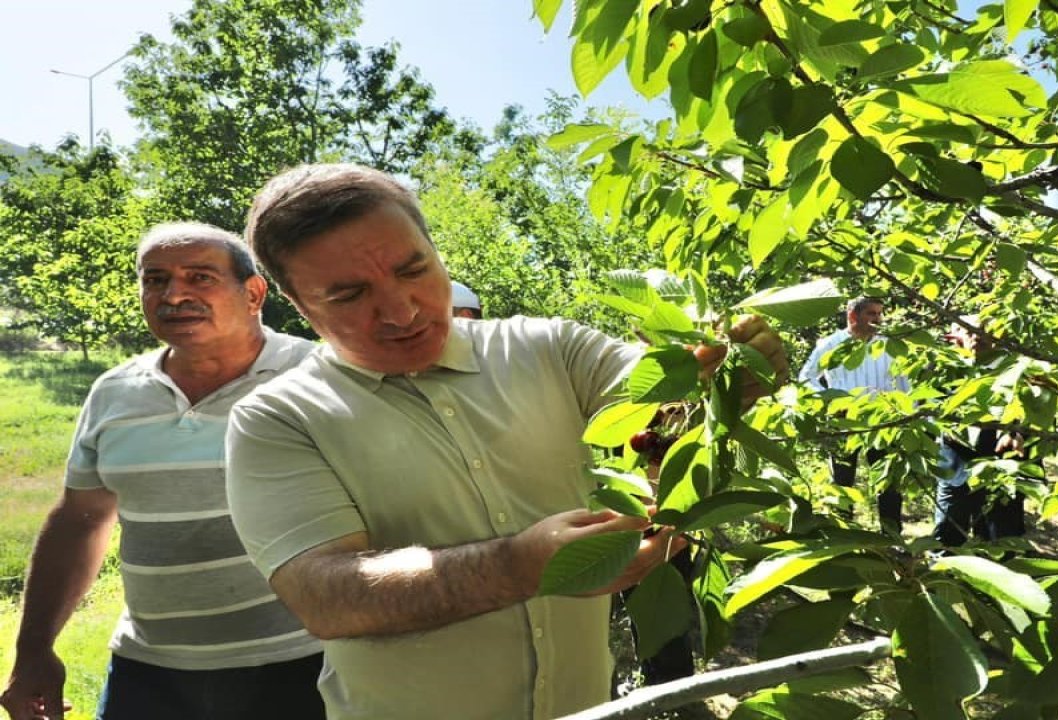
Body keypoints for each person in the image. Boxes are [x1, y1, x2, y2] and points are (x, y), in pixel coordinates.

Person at [224, 163, 789, 720]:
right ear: (295, 304)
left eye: (414, 268)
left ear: (434, 248)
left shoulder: (549, 350)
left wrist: (727, 375)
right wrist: (520, 567)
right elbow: (324, 596)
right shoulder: (276, 419)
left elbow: (667, 407)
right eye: (348, 295)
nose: (401, 310)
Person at [1, 223, 323, 720]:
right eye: (156, 280)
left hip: (300, 664)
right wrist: (33, 650)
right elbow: (78, 521)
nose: (174, 295)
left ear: (254, 292)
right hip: (148, 673)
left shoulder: (319, 377)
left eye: (200, 277)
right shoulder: (115, 392)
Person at [798, 296, 910, 533]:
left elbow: (903, 380)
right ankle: (842, 535)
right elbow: (805, 378)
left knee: (888, 481)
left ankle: (891, 537)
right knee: (842, 481)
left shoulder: (889, 344)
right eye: (871, 314)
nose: (878, 319)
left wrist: (907, 414)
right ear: (852, 316)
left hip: (885, 421)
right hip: (844, 421)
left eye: (880, 314)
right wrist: (831, 400)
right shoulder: (831, 344)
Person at [933, 320, 1028, 546]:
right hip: (956, 467)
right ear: (958, 337)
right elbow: (933, 410)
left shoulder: (1019, 370)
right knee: (947, 536)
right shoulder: (945, 370)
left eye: (985, 332)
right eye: (970, 332)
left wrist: (1018, 432)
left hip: (1004, 468)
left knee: (1001, 539)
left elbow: (1037, 411)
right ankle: (944, 578)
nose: (977, 337)